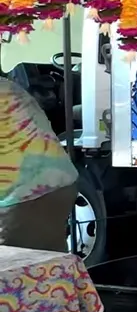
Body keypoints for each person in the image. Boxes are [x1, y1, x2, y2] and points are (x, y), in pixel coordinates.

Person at [0, 76, 80, 251]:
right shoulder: (8, 86)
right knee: (48, 264)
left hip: (22, 196)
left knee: (17, 269)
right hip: (59, 185)